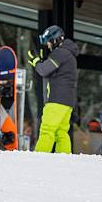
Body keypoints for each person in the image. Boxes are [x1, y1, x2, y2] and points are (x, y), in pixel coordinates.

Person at [28, 25, 78, 153]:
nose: (48, 46)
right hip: (67, 102)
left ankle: (39, 157)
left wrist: (36, 61)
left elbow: (43, 70)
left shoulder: (61, 53)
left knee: (47, 130)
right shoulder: (68, 54)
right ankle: (64, 159)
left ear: (55, 40)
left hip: (57, 100)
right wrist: (43, 61)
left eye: (49, 42)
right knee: (61, 133)